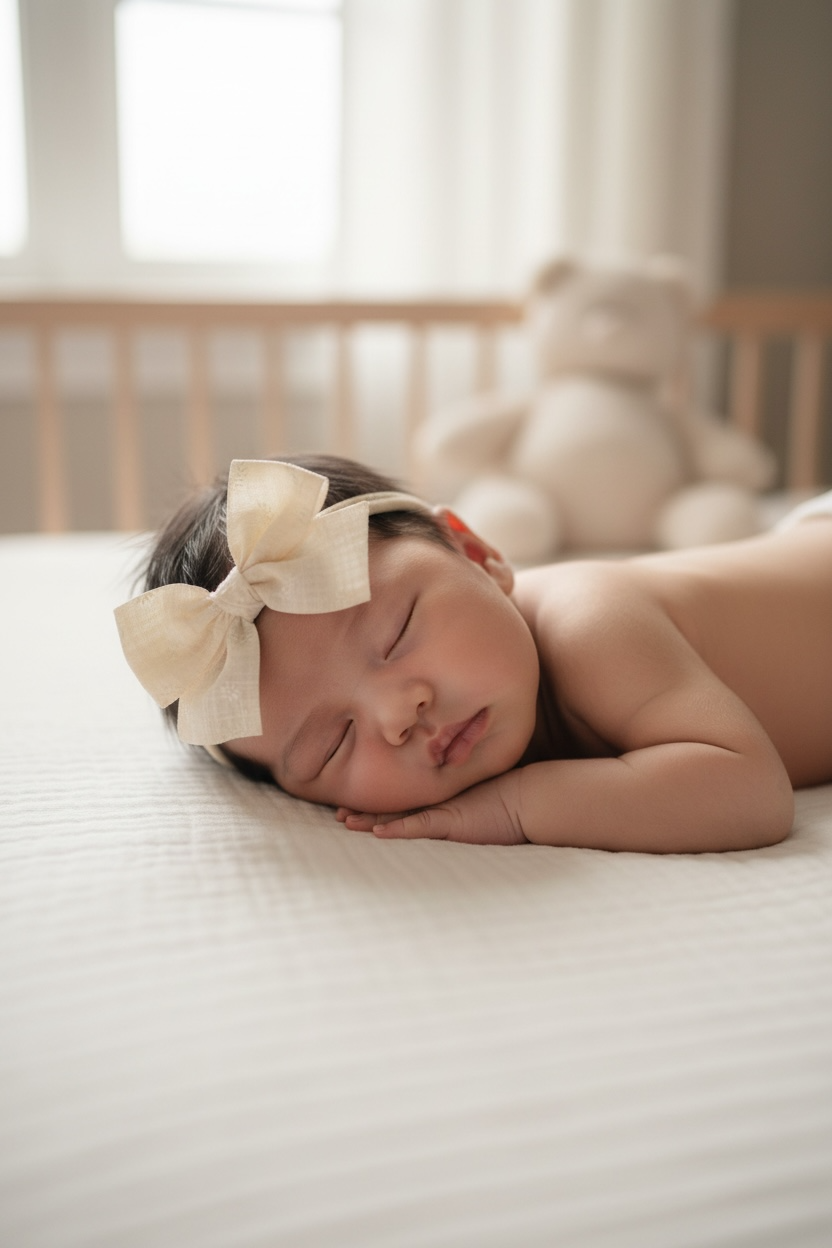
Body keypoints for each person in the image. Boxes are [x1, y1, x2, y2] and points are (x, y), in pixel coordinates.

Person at [115, 454, 832, 854]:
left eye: (395, 635)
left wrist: (519, 808)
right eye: (333, 745)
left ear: (479, 554)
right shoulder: (496, 690)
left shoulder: (593, 621)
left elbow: (746, 791)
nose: (399, 714)